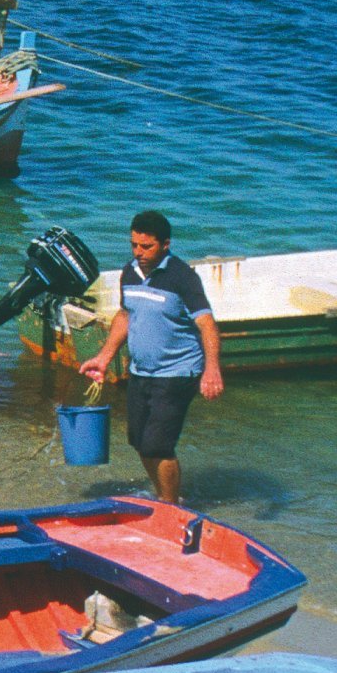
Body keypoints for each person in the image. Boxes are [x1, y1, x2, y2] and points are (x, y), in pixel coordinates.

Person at [81, 208, 223, 503]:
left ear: (165, 244)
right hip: (140, 371)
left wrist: (212, 370)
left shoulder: (182, 277)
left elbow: (207, 324)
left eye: (147, 246)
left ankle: (170, 507)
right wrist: (104, 357)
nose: (139, 252)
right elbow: (125, 315)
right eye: (134, 245)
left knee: (157, 445)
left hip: (177, 372)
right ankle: (165, 495)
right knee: (138, 440)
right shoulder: (129, 272)